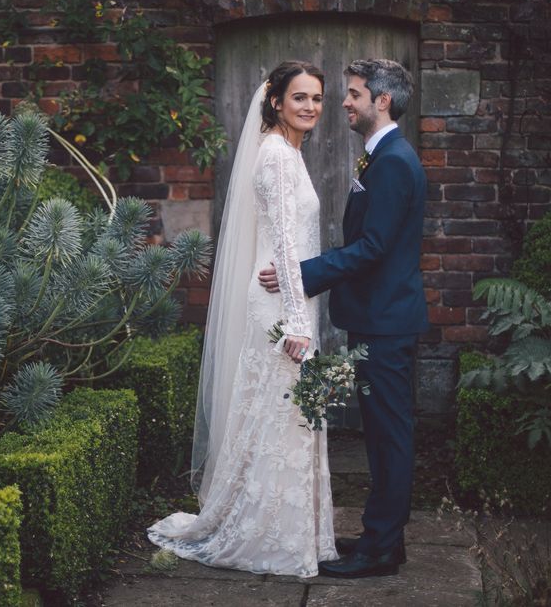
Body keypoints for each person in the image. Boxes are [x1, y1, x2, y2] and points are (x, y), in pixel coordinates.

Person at [147, 61, 339, 577]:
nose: (311, 107)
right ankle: (267, 535)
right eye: (300, 97)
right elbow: (281, 243)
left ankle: (293, 533)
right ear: (275, 101)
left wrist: (305, 312)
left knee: (289, 417)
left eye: (317, 98)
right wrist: (298, 324)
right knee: (282, 416)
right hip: (280, 308)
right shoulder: (276, 157)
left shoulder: (290, 153)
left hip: (293, 300)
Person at [258, 58, 428, 578]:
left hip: (386, 322)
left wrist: (302, 273)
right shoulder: (381, 157)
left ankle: (380, 550)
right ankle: (382, 538)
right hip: (379, 317)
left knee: (389, 436)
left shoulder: (395, 160)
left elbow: (373, 247)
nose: (344, 104)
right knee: (381, 434)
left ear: (382, 100)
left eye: (353, 94)